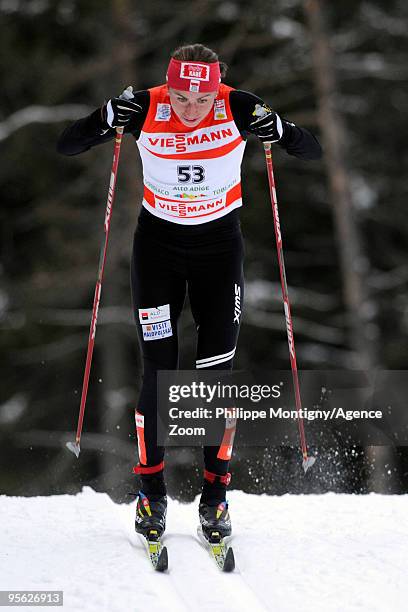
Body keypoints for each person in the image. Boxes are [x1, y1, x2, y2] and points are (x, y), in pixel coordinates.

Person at [57, 43, 322, 542]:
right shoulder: (144, 106)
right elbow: (68, 144)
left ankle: (216, 499)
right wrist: (106, 116)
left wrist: (280, 131)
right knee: (158, 372)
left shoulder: (240, 105)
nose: (192, 109)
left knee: (215, 376)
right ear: (168, 86)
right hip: (157, 249)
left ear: (217, 85)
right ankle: (150, 496)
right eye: (181, 98)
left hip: (219, 252)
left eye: (202, 100)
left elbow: (311, 149)